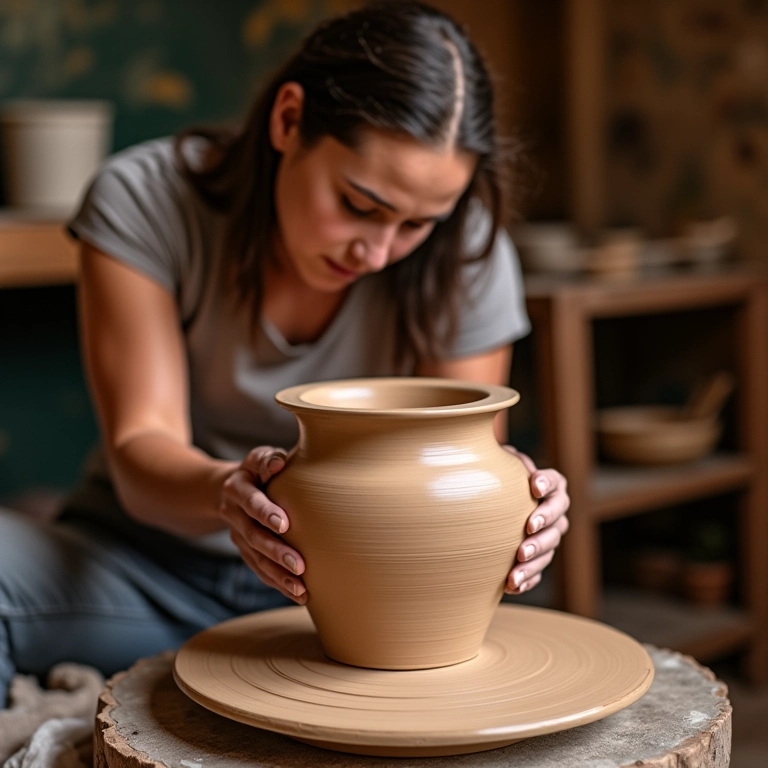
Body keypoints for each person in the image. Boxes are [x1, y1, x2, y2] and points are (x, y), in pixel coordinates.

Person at [0, 0, 569, 707]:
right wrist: (228, 496)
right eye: (359, 203)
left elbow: (472, 452)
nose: (378, 251)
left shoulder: (468, 247)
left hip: (363, 597)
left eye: (418, 223)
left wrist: (526, 505)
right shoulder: (144, 197)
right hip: (148, 570)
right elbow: (140, 447)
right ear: (288, 119)